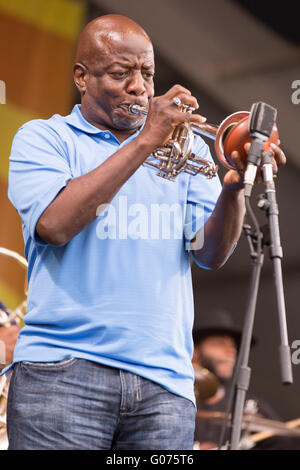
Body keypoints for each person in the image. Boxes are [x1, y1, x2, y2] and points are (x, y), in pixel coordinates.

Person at [4, 14, 285, 450]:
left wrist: (232, 190)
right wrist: (144, 141)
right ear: (81, 76)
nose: (140, 86)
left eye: (147, 74)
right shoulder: (44, 138)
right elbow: (55, 225)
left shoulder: (186, 148)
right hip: (62, 374)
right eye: (121, 73)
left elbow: (209, 254)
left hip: (165, 386)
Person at [192, 309, 300, 450]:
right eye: (220, 343)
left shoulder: (249, 406)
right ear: (193, 351)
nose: (231, 351)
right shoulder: (171, 402)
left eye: (234, 346)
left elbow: (286, 444)